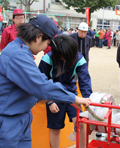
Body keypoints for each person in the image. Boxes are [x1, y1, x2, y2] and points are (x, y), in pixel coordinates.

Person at [0, 15, 91, 148]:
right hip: (10, 119)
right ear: (38, 37)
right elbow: (41, 85)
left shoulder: (22, 51)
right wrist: (74, 98)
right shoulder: (18, 56)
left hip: (22, 117)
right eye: (47, 44)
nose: (44, 49)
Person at [39, 34, 92, 148]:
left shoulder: (78, 58)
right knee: (55, 128)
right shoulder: (48, 58)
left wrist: (88, 98)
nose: (64, 58)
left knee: (80, 123)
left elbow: (85, 80)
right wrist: (49, 102)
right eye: (62, 56)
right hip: (53, 96)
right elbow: (41, 83)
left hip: (71, 94)